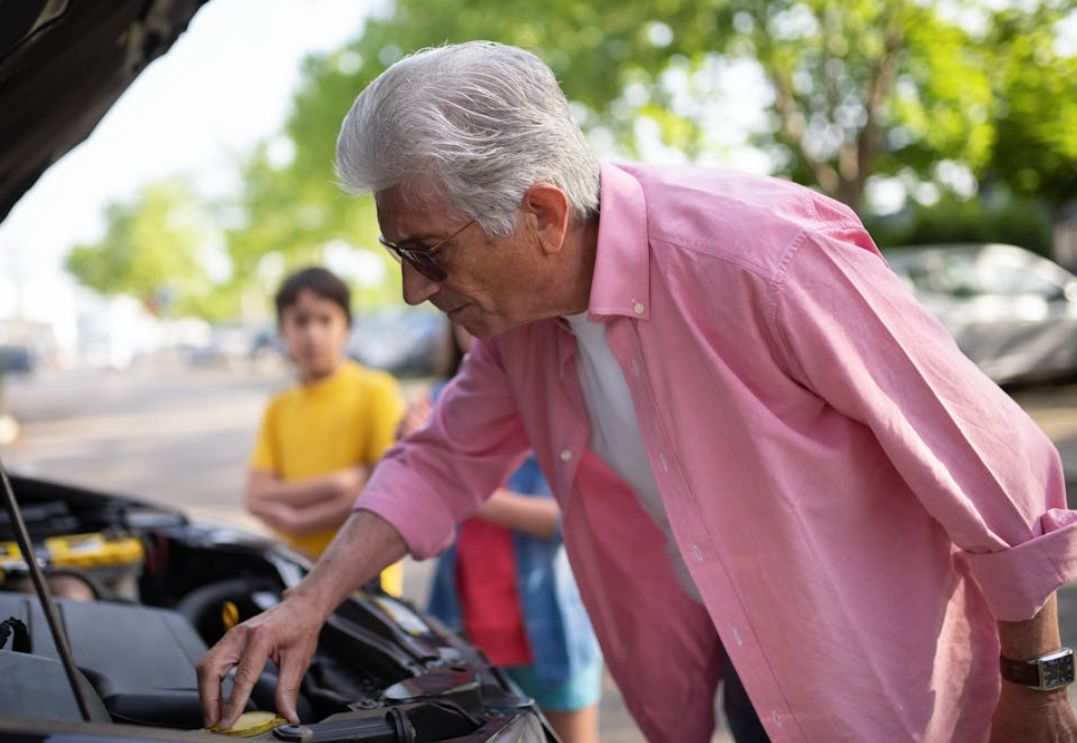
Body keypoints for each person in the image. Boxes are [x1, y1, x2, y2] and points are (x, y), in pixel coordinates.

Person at [199, 42, 1077, 742]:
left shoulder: (761, 256)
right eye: (399, 257)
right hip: (747, 667)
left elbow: (992, 465)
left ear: (541, 213)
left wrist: (1037, 683)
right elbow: (438, 459)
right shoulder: (520, 330)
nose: (413, 292)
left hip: (891, 685)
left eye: (427, 251)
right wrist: (308, 602)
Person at [403, 324, 603, 743]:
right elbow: (407, 512)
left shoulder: (562, 396)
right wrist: (410, 453)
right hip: (464, 630)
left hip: (552, 631)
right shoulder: (436, 402)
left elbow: (567, 520)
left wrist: (459, 486)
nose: (477, 320)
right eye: (462, 309)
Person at [245, 266, 405, 596]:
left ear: (346, 325)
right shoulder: (279, 406)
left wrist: (298, 520)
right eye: (300, 321)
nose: (313, 334)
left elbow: (385, 490)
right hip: (296, 575)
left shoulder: (377, 391)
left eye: (325, 320)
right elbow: (256, 495)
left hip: (364, 577)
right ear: (282, 330)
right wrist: (339, 482)